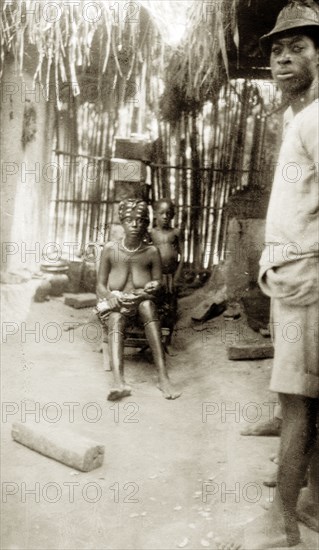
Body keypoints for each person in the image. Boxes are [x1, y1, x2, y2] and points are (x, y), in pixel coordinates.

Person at [218, 2, 319, 548]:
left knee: (296, 403)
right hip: (296, 276)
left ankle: (280, 527)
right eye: (277, 50)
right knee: (309, 396)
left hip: (306, 279)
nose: (283, 58)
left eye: (297, 47)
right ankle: (312, 503)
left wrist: (306, 258)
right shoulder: (298, 116)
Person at [96, 198, 181, 401]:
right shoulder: (110, 249)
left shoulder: (151, 252)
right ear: (122, 222)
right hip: (117, 306)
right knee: (116, 318)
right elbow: (99, 285)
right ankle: (119, 382)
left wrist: (152, 288)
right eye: (129, 220)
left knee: (147, 305)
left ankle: (163, 377)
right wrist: (110, 296)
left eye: (141, 221)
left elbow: (157, 285)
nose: (135, 225)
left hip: (143, 306)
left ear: (146, 224)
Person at [150, 198, 184, 334]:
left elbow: (182, 256)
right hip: (156, 275)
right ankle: (156, 333)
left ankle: (168, 334)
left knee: (171, 304)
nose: (165, 216)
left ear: (173, 215)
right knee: (157, 303)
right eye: (162, 213)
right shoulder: (151, 233)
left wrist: (177, 275)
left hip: (171, 274)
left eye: (168, 213)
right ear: (155, 214)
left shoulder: (175, 233)